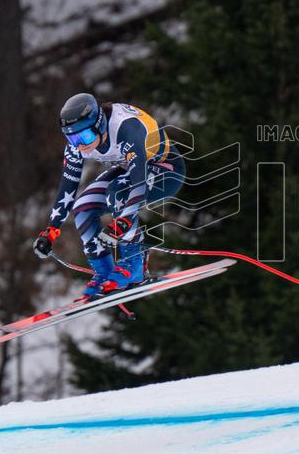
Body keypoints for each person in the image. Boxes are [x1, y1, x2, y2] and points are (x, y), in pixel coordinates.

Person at [32, 93, 185, 301]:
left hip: (166, 169)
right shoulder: (77, 146)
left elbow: (138, 184)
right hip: (127, 170)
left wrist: (123, 222)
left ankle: (134, 264)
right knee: (83, 208)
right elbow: (68, 188)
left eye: (84, 137)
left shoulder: (126, 129)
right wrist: (50, 230)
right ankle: (103, 271)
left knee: (117, 194)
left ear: (99, 125)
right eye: (71, 138)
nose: (79, 145)